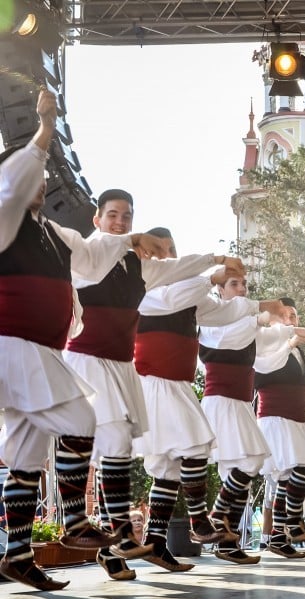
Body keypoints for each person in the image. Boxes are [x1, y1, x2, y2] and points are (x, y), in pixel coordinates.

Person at [0, 90, 168, 591]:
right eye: (37, 176)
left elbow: (93, 260)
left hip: (37, 350)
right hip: (15, 345)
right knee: (80, 419)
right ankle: (74, 523)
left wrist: (130, 240)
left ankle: (15, 555)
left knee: (28, 455)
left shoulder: (51, 231)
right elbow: (12, 185)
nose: (44, 181)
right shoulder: (5, 217)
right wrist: (44, 132)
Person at [64, 189, 244, 577]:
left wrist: (215, 259)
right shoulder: (86, 252)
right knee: (111, 444)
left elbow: (179, 268)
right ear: (97, 220)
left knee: (120, 449)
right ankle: (120, 534)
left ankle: (118, 546)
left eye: (127, 217)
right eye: (113, 215)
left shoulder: (138, 267)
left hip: (121, 366)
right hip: (87, 361)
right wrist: (211, 272)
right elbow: (100, 268)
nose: (120, 222)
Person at [133, 229, 284, 575]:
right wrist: (214, 270)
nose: (166, 256)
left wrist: (262, 307)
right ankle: (201, 519)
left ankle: (154, 543)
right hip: (154, 381)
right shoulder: (143, 287)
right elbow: (175, 299)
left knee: (169, 468)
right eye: (159, 251)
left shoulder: (187, 292)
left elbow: (220, 313)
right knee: (195, 444)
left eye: (172, 250)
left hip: (176, 383)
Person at [200, 275, 278, 565]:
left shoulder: (245, 322)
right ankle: (217, 515)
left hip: (240, 402)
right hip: (222, 399)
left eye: (244, 284)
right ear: (219, 289)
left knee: (234, 473)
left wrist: (288, 333)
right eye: (234, 284)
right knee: (251, 460)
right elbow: (225, 339)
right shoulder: (211, 316)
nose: (242, 289)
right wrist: (257, 319)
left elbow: (268, 344)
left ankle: (227, 543)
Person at [254, 297, 305, 558]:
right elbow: (261, 373)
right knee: (304, 466)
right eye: (285, 315)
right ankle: (292, 523)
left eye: (294, 316)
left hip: (296, 419)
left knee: (286, 478)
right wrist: (288, 342)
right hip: (275, 417)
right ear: (274, 320)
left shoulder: (298, 350)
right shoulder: (265, 342)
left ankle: (278, 537)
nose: (291, 320)